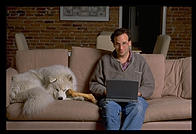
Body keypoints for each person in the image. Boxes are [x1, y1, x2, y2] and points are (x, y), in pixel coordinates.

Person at [89, 28, 155, 130]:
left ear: (129, 43)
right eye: (117, 44)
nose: (121, 48)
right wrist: (106, 91)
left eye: (124, 43)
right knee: (109, 108)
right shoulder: (104, 61)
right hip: (110, 99)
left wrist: (139, 93)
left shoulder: (140, 60)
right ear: (113, 44)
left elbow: (149, 85)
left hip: (134, 99)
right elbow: (93, 84)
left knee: (139, 107)